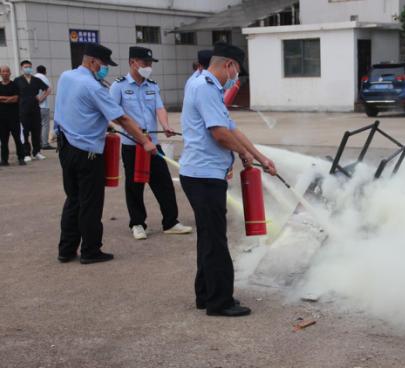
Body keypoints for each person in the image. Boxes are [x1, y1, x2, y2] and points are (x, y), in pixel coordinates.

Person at [179, 42, 277, 317]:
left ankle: (205, 295)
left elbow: (232, 129)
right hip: (204, 176)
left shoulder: (202, 83)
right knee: (215, 242)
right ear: (228, 65)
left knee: (208, 240)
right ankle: (220, 302)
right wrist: (243, 153)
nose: (237, 77)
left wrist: (258, 155)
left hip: (202, 174)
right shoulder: (206, 88)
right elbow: (220, 134)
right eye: (236, 70)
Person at [54, 44, 157, 265]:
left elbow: (78, 108)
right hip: (87, 153)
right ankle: (91, 250)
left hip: (65, 147)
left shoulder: (66, 76)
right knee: (90, 202)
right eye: (103, 65)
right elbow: (123, 119)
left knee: (73, 199)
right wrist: (145, 141)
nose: (105, 70)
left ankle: (66, 249)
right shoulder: (94, 87)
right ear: (92, 61)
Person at [110, 46, 192, 240]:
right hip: (132, 145)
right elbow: (112, 114)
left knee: (163, 183)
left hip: (153, 144)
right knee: (135, 185)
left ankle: (171, 222)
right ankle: (137, 223)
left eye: (149, 63)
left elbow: (160, 108)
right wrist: (133, 130)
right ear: (132, 62)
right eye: (145, 63)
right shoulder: (119, 86)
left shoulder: (152, 86)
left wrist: (166, 125)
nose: (148, 67)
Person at [13, 60, 51, 162]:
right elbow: (13, 94)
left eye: (29, 67)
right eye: (25, 67)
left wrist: (41, 98)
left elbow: (48, 89)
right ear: (21, 68)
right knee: (25, 132)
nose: (28, 68)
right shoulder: (17, 80)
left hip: (35, 108)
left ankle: (37, 152)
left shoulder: (36, 80)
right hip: (23, 109)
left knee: (36, 130)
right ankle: (26, 153)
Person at [0, 65, 25, 166]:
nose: (5, 73)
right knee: (3, 140)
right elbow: (11, 98)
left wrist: (2, 98)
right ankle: (4, 160)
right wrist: (9, 99)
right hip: (1, 118)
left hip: (14, 117)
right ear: (0, 73)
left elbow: (15, 98)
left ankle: (21, 158)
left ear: (10, 73)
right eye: (3, 71)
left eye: (7, 71)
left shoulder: (14, 85)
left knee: (17, 139)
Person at [34, 65, 54, 150]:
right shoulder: (44, 78)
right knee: (45, 125)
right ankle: (45, 144)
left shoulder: (33, 77)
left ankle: (38, 143)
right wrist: (41, 99)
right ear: (45, 71)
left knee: (37, 126)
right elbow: (48, 90)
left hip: (34, 106)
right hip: (43, 106)